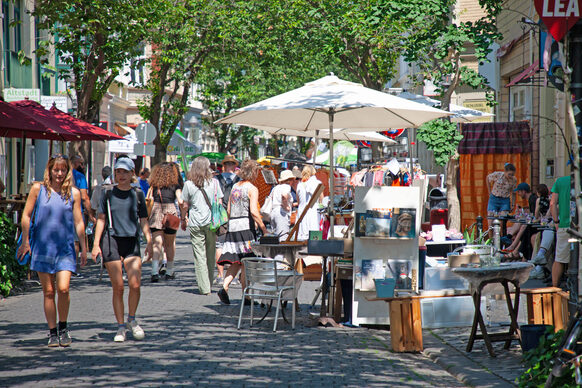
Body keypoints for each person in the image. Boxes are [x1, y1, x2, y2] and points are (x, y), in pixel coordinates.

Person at [17, 155, 87, 347]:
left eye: (63, 170)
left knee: (63, 289)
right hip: (42, 246)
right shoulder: (38, 189)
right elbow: (26, 215)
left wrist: (84, 247)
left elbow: (79, 221)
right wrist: (25, 241)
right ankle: (52, 332)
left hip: (64, 248)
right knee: (48, 291)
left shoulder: (73, 193)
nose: (59, 173)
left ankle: (63, 327)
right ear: (49, 170)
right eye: (56, 169)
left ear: (67, 171)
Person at [92, 157, 152, 342]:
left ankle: (131, 320)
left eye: (125, 172)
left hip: (131, 241)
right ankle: (120, 327)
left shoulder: (138, 194)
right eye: (118, 171)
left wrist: (149, 240)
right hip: (111, 241)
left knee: (134, 284)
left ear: (132, 173)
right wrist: (95, 245)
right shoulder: (107, 193)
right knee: (118, 287)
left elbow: (143, 220)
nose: (121, 175)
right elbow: (101, 219)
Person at [217, 159, 267, 305]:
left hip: (233, 226)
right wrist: (264, 228)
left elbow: (228, 210)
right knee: (246, 261)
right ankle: (246, 296)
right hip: (246, 227)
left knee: (236, 261)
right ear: (253, 172)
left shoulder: (235, 187)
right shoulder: (252, 188)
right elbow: (254, 211)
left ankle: (224, 287)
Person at [181, 157, 223, 295]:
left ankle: (204, 288)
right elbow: (219, 202)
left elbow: (185, 205)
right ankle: (208, 283)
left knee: (199, 255)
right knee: (210, 253)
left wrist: (183, 218)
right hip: (212, 222)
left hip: (195, 222)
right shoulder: (215, 183)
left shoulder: (188, 184)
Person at [148, 162, 183, 282]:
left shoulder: (153, 185)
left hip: (156, 211)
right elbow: (180, 200)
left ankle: (154, 272)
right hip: (170, 213)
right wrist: (183, 216)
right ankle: (169, 271)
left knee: (156, 243)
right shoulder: (175, 185)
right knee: (169, 243)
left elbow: (149, 198)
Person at [213, 155, 240, 285]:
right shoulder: (239, 180)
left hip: (219, 216)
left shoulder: (216, 179)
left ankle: (220, 275)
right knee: (233, 246)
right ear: (235, 166)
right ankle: (232, 276)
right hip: (235, 216)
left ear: (223, 166)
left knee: (219, 245)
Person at [70, 155, 96, 276]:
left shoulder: (65, 175)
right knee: (75, 240)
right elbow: (84, 197)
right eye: (81, 163)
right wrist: (91, 213)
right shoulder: (80, 177)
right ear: (75, 163)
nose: (83, 166)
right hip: (76, 211)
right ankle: (73, 266)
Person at [550, 175, 572, 287]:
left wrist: (556, 221)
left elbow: (552, 203)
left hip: (564, 225)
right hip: (579, 225)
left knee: (559, 258)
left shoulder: (560, 181)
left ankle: (554, 288)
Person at [297, 165, 324, 241]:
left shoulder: (299, 185)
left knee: (302, 235)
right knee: (314, 236)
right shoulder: (318, 183)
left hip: (302, 211)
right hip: (313, 211)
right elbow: (322, 199)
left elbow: (299, 201)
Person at [270, 170, 294, 241]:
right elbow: (284, 195)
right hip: (281, 213)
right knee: (283, 239)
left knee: (275, 238)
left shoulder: (276, 187)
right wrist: (286, 206)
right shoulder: (286, 187)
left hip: (274, 212)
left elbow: (271, 198)